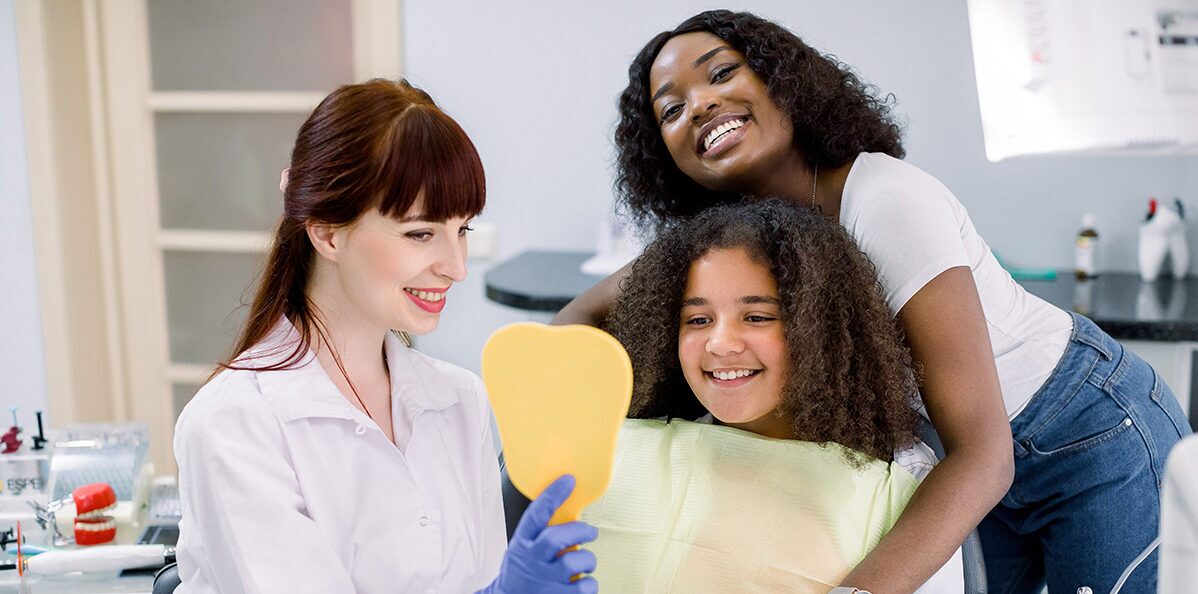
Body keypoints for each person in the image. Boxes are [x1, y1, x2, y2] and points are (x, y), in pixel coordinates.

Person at [555, 10, 1191, 593]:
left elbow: (984, 456)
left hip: (1085, 433)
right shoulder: (733, 237)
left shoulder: (886, 201)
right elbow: (576, 321)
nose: (702, 104)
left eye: (721, 73)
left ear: (784, 82)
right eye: (671, 109)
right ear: (663, 157)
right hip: (963, 461)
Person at [174, 79, 598, 594]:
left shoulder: (459, 400)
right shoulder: (235, 424)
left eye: (461, 230)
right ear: (328, 232)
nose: (456, 267)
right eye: (421, 234)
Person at [586, 199, 961, 592]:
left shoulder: (900, 486)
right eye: (698, 320)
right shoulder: (637, 450)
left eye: (758, 317)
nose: (720, 343)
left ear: (819, 328)